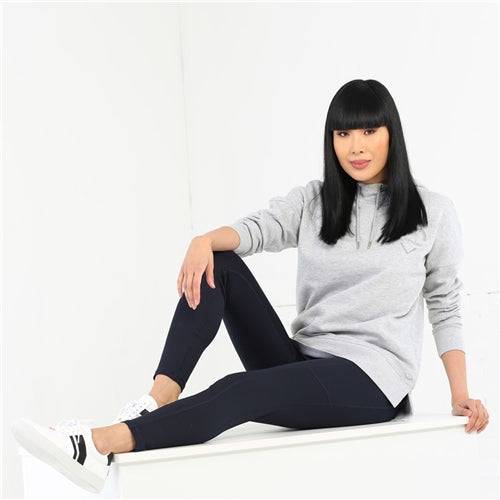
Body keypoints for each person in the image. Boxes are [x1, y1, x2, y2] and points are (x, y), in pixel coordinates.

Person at [12, 79, 489, 493]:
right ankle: (156, 400)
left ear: (391, 135)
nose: (355, 147)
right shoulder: (316, 200)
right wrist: (203, 240)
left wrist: (459, 394)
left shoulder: (432, 212)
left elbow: (444, 303)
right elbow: (258, 229)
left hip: (371, 379)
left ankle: (98, 444)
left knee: (239, 390)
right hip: (303, 360)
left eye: (369, 131)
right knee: (220, 263)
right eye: (343, 133)